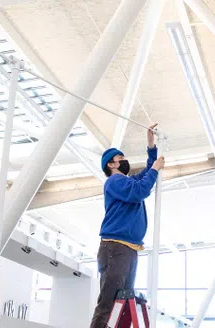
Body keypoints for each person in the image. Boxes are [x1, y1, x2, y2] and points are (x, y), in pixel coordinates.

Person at [89, 123, 166, 328]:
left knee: (122, 301)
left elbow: (147, 173)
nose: (124, 162)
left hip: (128, 248)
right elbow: (141, 190)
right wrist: (155, 169)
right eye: (120, 159)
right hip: (115, 247)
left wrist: (151, 146)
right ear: (111, 165)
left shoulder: (128, 182)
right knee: (108, 302)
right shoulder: (114, 183)